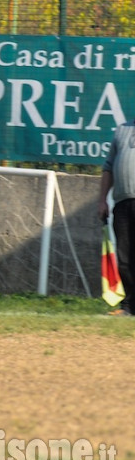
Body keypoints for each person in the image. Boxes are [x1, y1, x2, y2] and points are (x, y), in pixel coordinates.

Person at [98, 119, 135, 316]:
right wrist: (102, 200)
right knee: (124, 258)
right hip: (122, 204)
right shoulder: (122, 130)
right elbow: (108, 167)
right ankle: (128, 306)